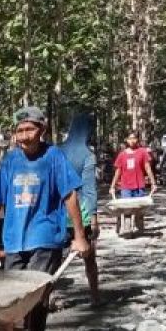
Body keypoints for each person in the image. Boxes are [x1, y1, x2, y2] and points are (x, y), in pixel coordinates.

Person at [0, 105, 89, 331]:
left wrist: (79, 236)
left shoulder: (54, 157)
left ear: (42, 130)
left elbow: (70, 194)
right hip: (15, 238)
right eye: (19, 131)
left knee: (37, 291)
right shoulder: (11, 161)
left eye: (29, 130)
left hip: (45, 235)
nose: (24, 136)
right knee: (14, 296)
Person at [58, 111, 101, 305]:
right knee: (89, 258)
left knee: (54, 260)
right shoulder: (87, 155)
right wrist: (93, 217)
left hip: (57, 214)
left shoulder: (56, 152)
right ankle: (95, 297)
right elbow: (89, 189)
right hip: (80, 215)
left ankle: (48, 298)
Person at [109, 131, 156, 232]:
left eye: (134, 138)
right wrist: (112, 186)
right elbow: (118, 171)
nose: (132, 140)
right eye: (130, 138)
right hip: (126, 186)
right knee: (126, 209)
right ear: (126, 140)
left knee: (139, 209)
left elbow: (147, 167)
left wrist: (153, 182)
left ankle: (139, 224)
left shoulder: (142, 152)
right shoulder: (122, 155)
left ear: (137, 139)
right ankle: (122, 223)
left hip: (139, 185)